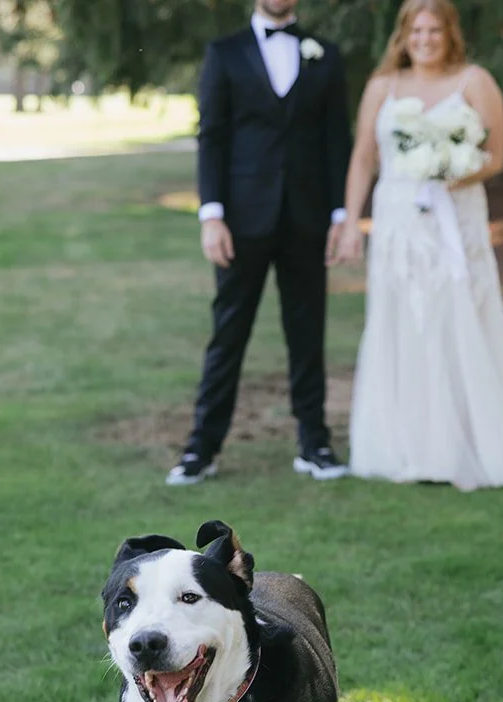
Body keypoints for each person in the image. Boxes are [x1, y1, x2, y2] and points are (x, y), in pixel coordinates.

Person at [333, 0, 503, 491]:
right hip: (398, 222)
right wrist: (350, 221)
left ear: (450, 34)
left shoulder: (475, 81)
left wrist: (448, 169)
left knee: (460, 317)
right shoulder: (381, 87)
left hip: (456, 219)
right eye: (417, 31)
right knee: (402, 321)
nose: (425, 39)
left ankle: (474, 439)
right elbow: (364, 158)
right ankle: (406, 444)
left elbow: (495, 157)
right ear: (404, 35)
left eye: (435, 31)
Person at [168, 0, 354, 486]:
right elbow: (212, 136)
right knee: (228, 334)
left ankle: (314, 443)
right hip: (242, 221)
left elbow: (337, 139)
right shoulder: (224, 53)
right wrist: (212, 215)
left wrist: (340, 215)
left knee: (307, 333)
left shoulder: (325, 55)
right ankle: (201, 448)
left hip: (307, 218)